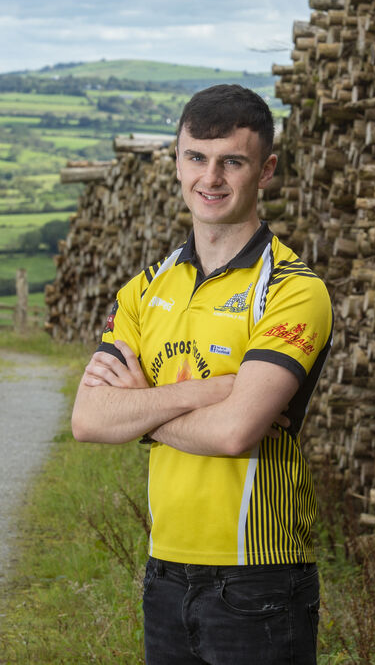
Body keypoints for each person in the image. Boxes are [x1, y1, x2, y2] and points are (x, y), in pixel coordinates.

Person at [71, 83, 333, 665]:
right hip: (164, 569)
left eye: (231, 162)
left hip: (258, 576)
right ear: (178, 160)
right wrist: (209, 392)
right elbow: (88, 418)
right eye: (196, 157)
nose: (209, 178)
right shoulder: (145, 289)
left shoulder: (292, 290)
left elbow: (234, 434)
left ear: (264, 170)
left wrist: (142, 406)